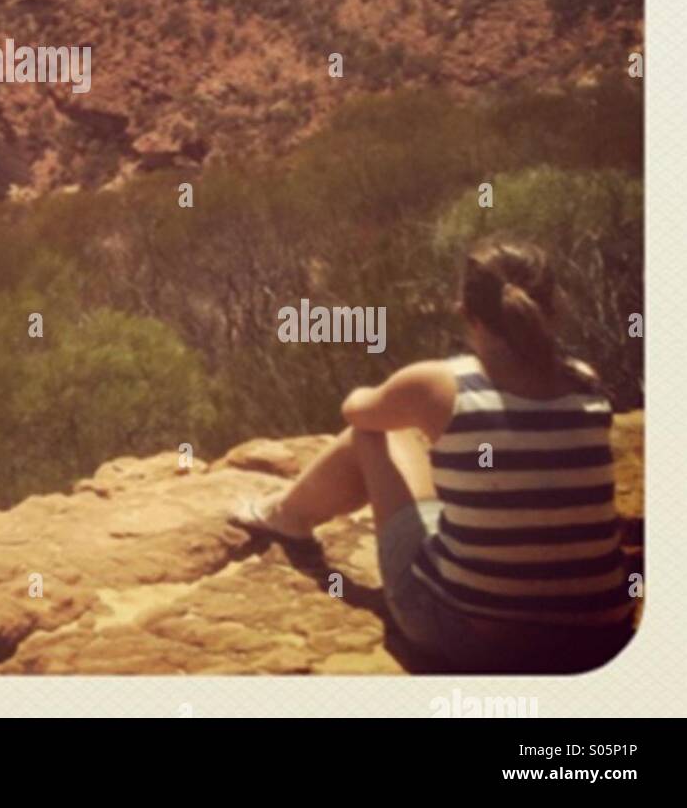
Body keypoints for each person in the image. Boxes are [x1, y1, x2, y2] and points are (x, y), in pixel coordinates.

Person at [233, 240, 635, 672]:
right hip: (601, 641)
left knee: (372, 435)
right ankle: (289, 515)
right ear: (554, 308)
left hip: (471, 640)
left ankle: (287, 518)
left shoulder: (439, 384)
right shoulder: (586, 384)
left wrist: (380, 392)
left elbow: (356, 411)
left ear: (466, 313)